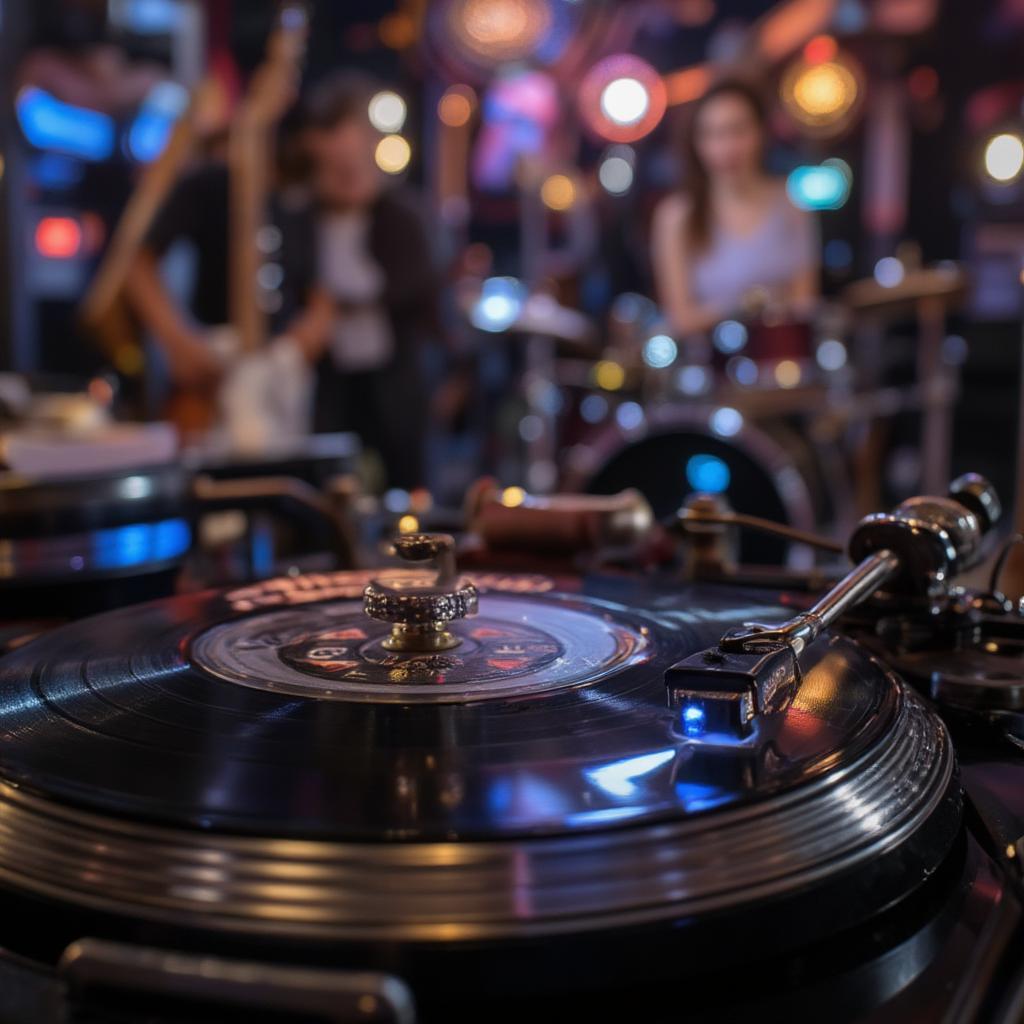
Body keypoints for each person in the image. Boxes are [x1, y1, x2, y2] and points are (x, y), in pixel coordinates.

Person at [300, 72, 439, 491]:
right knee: (332, 480)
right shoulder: (302, 219)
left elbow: (417, 289)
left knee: (405, 480)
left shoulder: (401, 217)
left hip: (392, 378)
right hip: (327, 380)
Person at [651, 79, 819, 338]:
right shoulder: (676, 216)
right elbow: (680, 319)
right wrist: (749, 305)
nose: (727, 148)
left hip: (783, 356)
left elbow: (805, 303)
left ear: (761, 133)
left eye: (737, 131)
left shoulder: (792, 202)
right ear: (696, 143)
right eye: (712, 134)